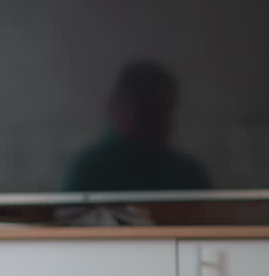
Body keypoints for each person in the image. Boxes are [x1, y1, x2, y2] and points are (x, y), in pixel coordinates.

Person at [61, 60, 209, 193]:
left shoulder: (188, 173)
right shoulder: (89, 169)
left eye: (161, 109)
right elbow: (68, 218)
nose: (153, 119)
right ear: (116, 107)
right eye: (146, 109)